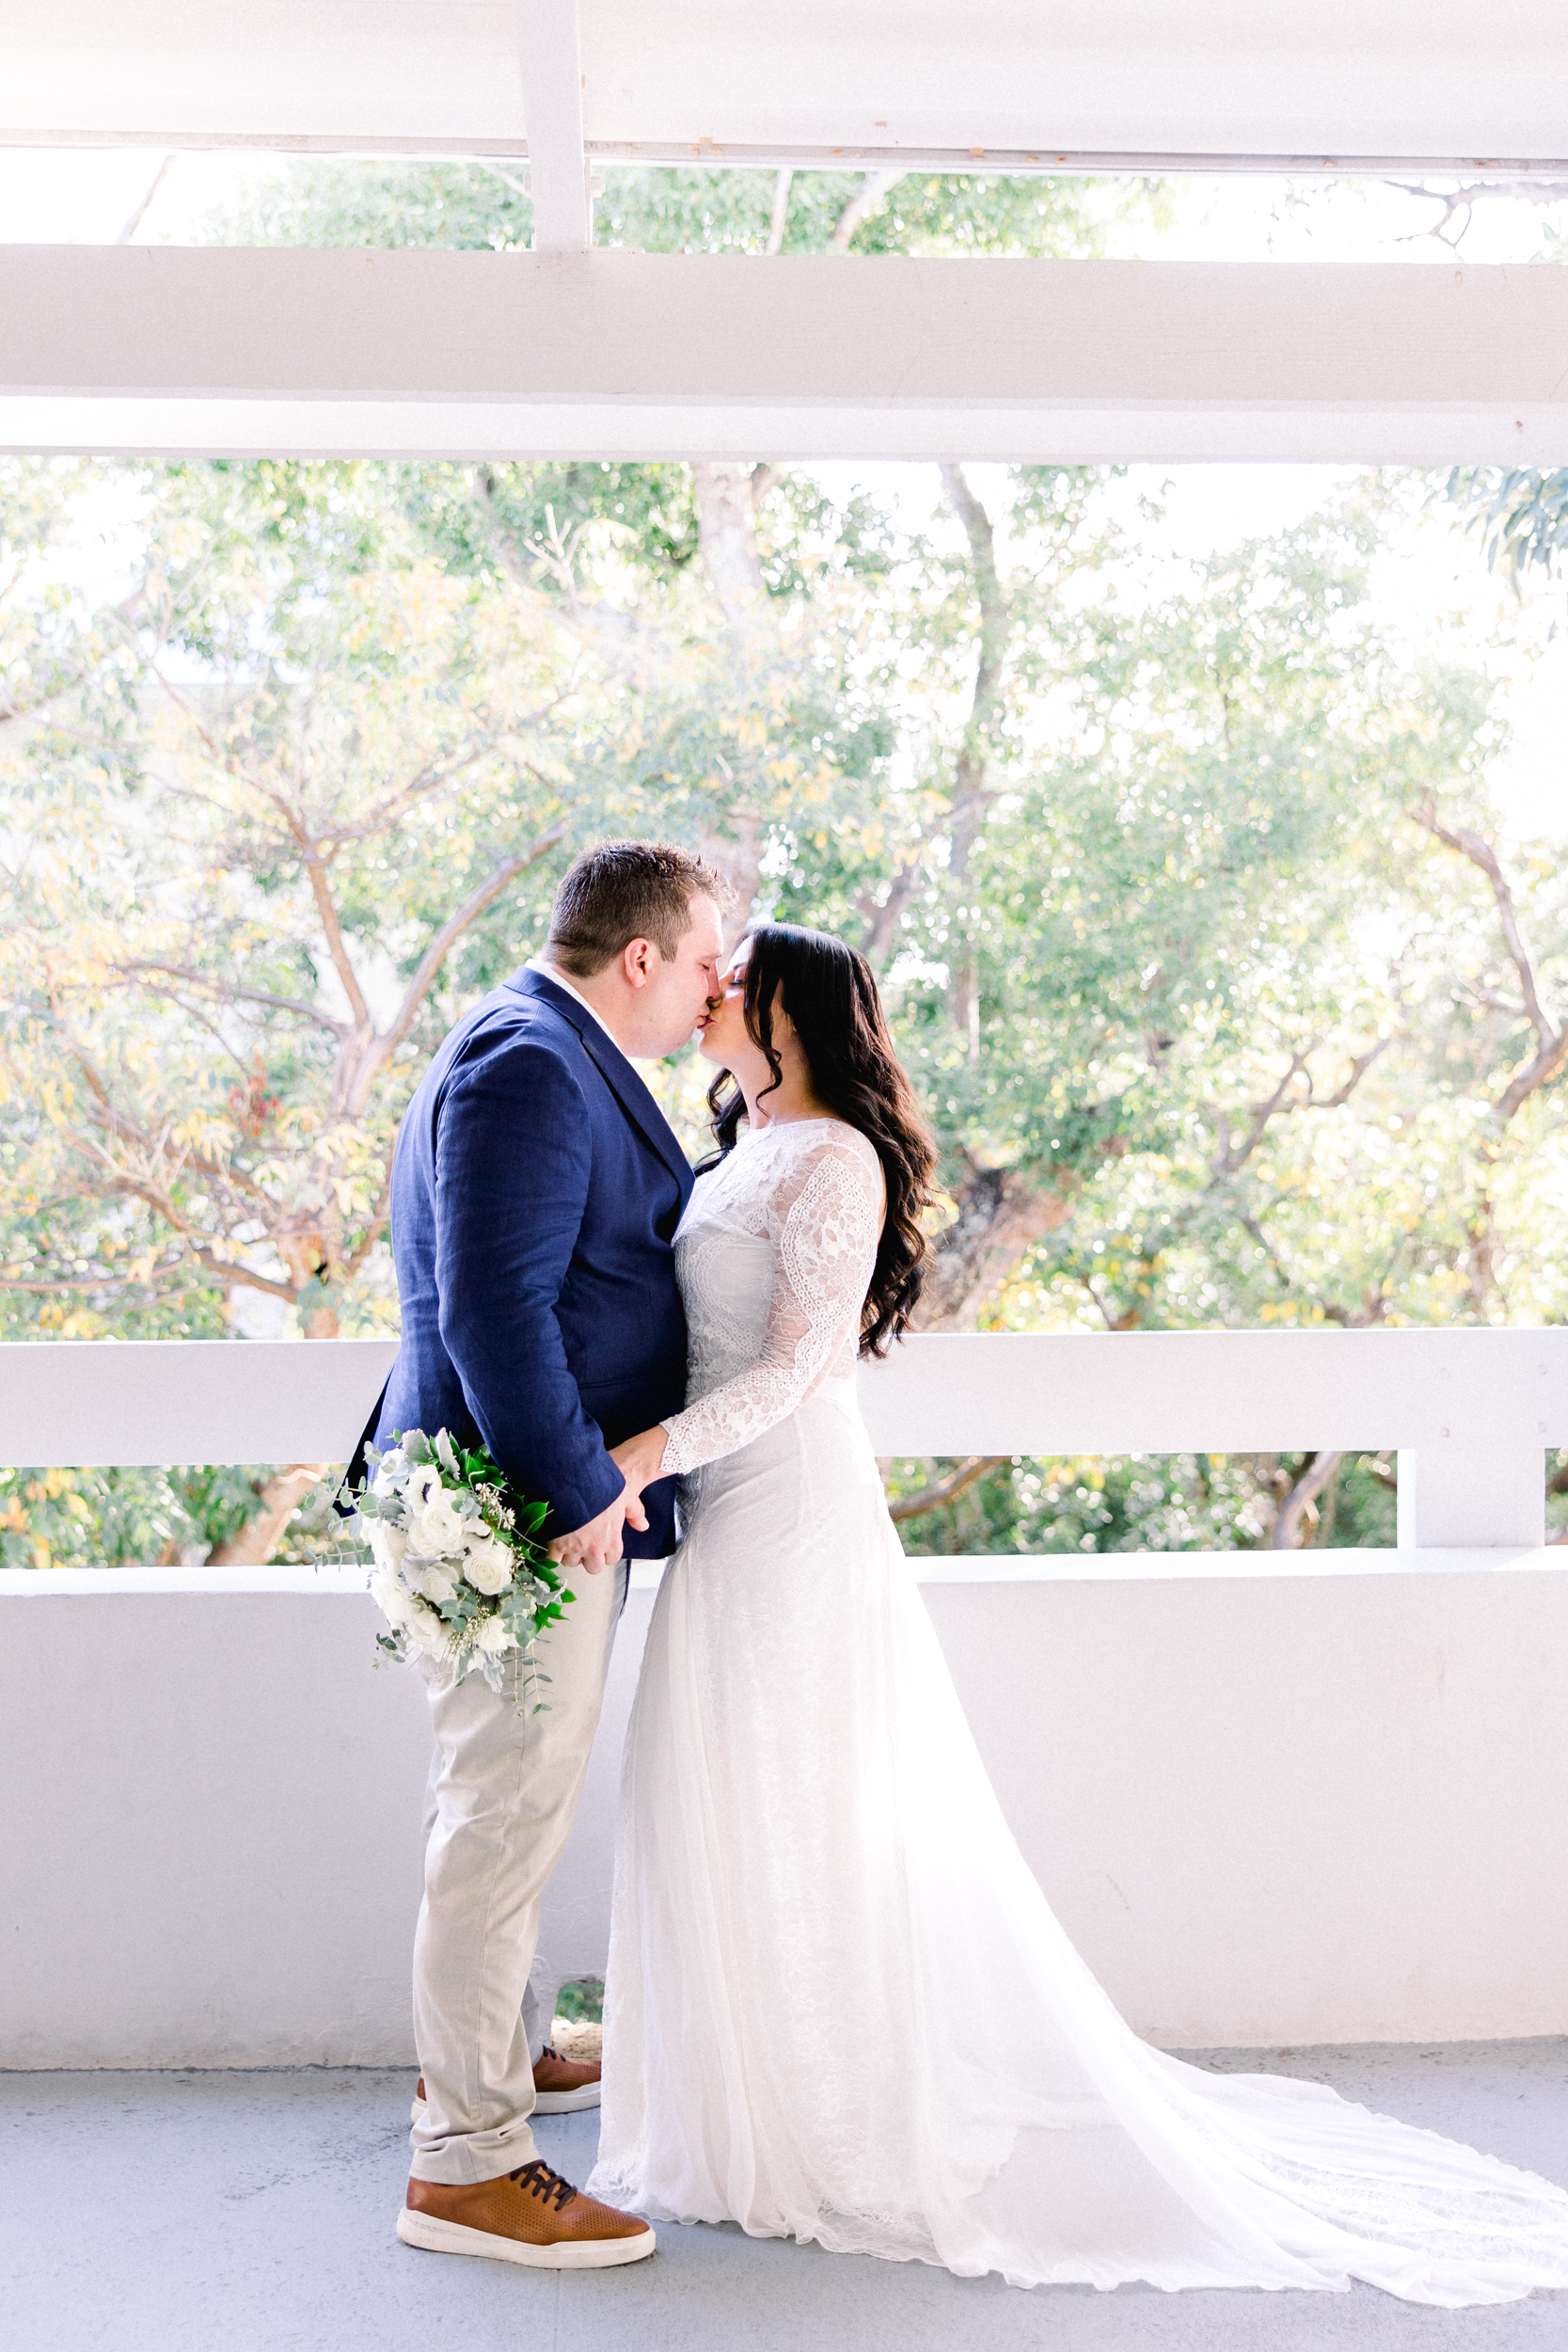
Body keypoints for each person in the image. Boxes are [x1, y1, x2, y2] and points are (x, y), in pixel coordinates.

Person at [591, 921, 1568, 2306]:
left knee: (802, 1797)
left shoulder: (836, 1159)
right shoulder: (738, 1151)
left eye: (736, 982)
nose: (711, 996)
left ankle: (830, 2113)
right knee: (722, 1792)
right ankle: (738, 2109)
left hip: (792, 1510)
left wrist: (644, 1457)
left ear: (793, 1013)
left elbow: (805, 1366)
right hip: (721, 1519)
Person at [379, 840, 727, 2270]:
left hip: (514, 1495)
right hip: (526, 1510)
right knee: (504, 1815)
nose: (719, 987)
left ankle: (489, 2059)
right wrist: (581, 1490)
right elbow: (494, 1311)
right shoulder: (528, 1059)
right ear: (638, 958)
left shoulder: (533, 1043)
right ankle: (466, 2164)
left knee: (497, 1805)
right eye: (707, 960)